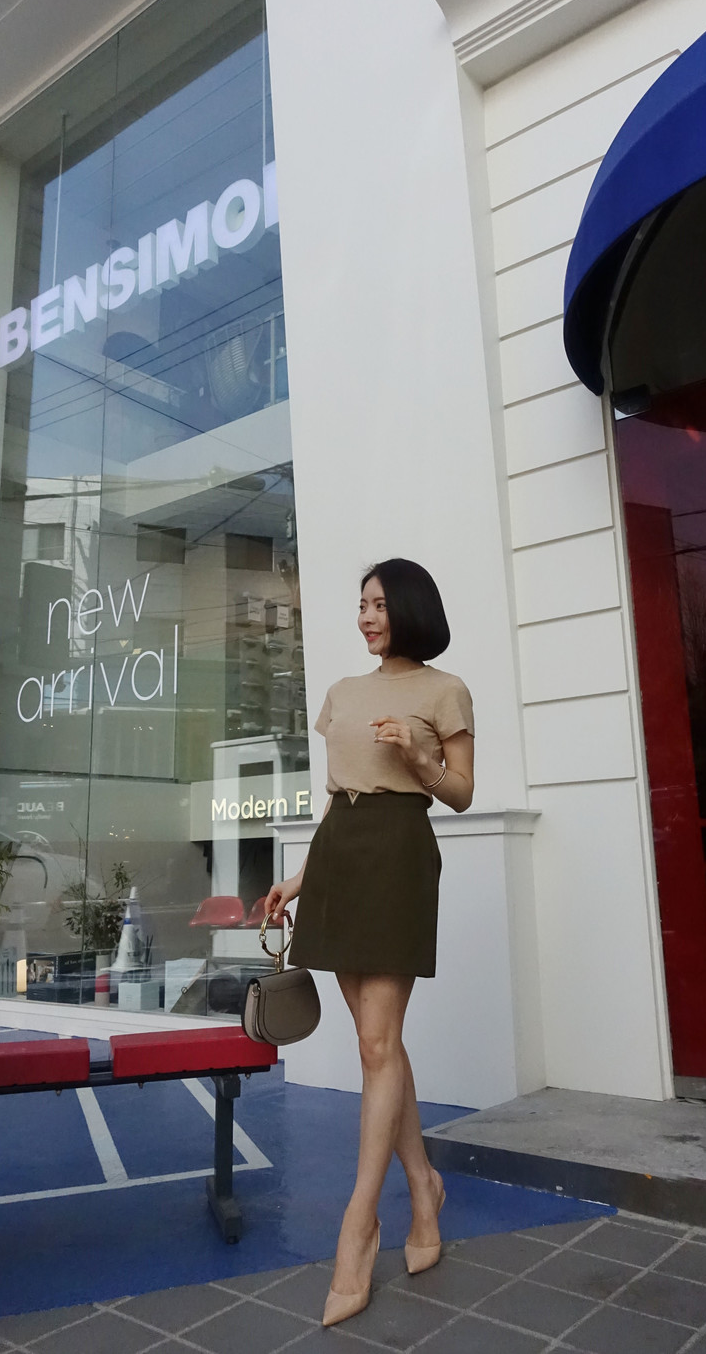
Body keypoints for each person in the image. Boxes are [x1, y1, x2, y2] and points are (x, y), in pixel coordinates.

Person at [265, 557, 475, 1327]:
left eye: (379, 604)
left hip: (398, 853)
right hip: (342, 856)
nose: (366, 617)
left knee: (378, 1045)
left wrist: (418, 757)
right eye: (361, 605)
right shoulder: (343, 694)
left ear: (409, 608)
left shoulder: (444, 690)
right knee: (377, 1043)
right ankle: (424, 1185)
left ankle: (358, 1225)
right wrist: (299, 878)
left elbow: (461, 792)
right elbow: (337, 801)